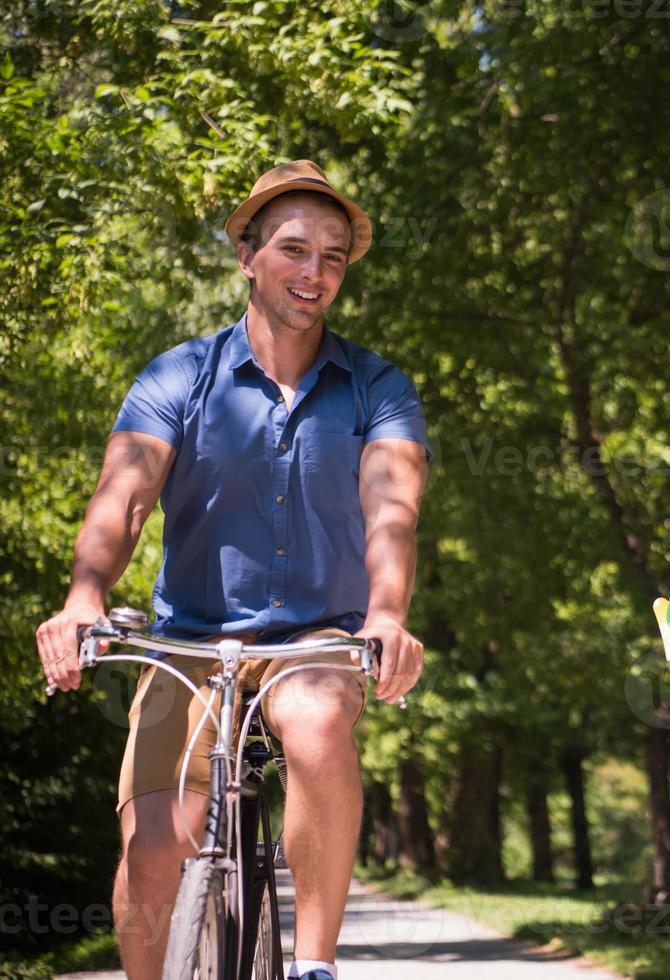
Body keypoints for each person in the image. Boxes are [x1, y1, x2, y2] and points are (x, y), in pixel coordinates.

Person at [33, 160, 431, 980]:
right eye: (293, 249)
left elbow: (392, 510)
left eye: (332, 256)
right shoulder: (180, 375)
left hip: (315, 640)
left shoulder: (377, 388)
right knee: (153, 845)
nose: (313, 272)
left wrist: (385, 613)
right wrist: (83, 597)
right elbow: (126, 495)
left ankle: (313, 966)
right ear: (247, 254)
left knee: (319, 725)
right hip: (188, 641)